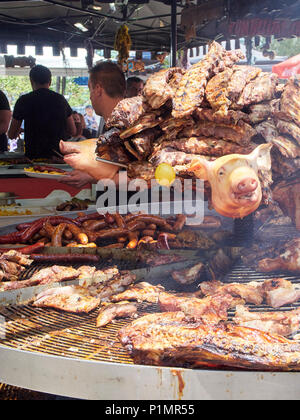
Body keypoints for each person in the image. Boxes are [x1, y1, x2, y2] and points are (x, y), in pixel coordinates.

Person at [59, 61, 126, 188]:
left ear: (98, 90)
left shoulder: (127, 123)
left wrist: (92, 177)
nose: (90, 97)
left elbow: (142, 175)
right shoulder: (112, 123)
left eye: (90, 90)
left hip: (132, 206)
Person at [8, 65, 76, 159]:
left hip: (34, 157)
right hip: (58, 157)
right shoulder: (60, 100)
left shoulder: (24, 101)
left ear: (31, 81)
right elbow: (73, 130)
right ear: (50, 81)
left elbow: (11, 134)